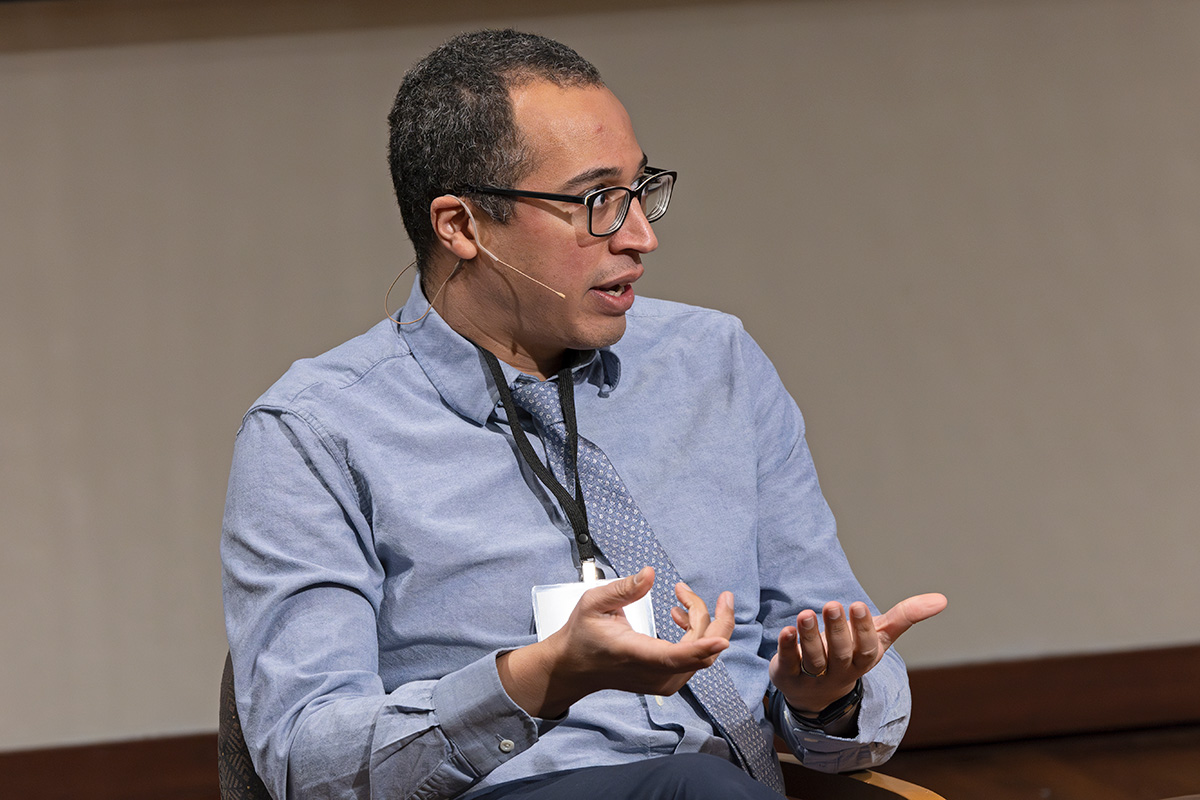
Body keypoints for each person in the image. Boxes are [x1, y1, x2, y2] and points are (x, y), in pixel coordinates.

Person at [221, 28, 947, 800]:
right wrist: (535, 679)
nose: (642, 236)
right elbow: (305, 760)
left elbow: (853, 688)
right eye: (596, 201)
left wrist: (824, 697)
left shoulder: (713, 362)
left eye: (641, 191)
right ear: (462, 227)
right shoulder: (316, 432)